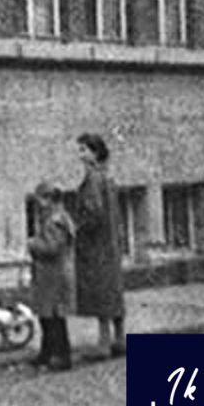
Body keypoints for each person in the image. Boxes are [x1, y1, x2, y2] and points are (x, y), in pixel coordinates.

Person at [72, 133, 126, 358]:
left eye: (84, 149)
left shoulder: (93, 178)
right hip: (110, 242)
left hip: (96, 245)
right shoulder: (107, 176)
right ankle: (120, 339)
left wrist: (77, 229)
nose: (80, 154)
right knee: (113, 290)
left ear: (95, 152)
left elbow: (94, 212)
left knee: (100, 292)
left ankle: (103, 344)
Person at [27, 181, 77, 371]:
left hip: (53, 276)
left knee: (53, 318)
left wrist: (32, 244)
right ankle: (47, 353)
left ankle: (59, 356)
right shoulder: (59, 218)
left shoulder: (54, 221)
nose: (39, 204)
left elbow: (52, 248)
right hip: (51, 275)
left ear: (48, 200)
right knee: (47, 317)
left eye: (40, 199)